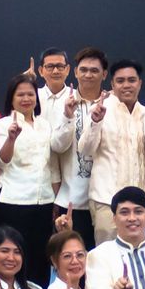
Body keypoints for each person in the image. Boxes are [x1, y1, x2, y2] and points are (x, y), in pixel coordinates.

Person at [0, 74, 60, 283]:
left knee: (40, 257)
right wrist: (11, 139)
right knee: (11, 256)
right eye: (20, 94)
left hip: (43, 202)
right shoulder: (2, 125)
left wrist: (55, 199)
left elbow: (51, 165)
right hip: (12, 202)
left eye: (30, 94)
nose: (26, 98)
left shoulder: (44, 125)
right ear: (11, 99)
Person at [81, 59, 145, 244]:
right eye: (120, 81)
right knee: (107, 258)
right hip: (106, 200)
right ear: (112, 84)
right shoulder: (100, 110)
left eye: (131, 80)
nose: (126, 85)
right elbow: (85, 150)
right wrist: (95, 122)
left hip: (139, 201)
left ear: (140, 83)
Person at [53, 48, 110, 243]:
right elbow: (57, 147)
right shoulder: (62, 102)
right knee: (73, 263)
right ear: (75, 72)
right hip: (72, 200)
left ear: (104, 74)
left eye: (94, 70)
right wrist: (68, 116)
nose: (88, 74)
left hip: (106, 200)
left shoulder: (114, 104)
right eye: (83, 70)